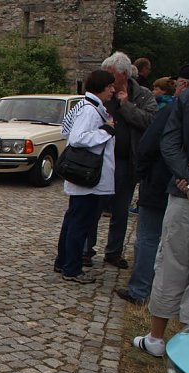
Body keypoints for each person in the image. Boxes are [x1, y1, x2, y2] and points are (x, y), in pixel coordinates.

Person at [133, 64, 189, 357]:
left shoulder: (185, 100)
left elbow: (168, 142)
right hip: (185, 190)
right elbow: (168, 142)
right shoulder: (186, 101)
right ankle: (184, 343)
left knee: (172, 261)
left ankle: (159, 338)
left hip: (185, 192)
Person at [117, 72, 189, 304]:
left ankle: (140, 289)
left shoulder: (174, 110)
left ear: (184, 85)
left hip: (163, 182)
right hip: (186, 185)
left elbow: (150, 143)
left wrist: (140, 173)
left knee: (149, 237)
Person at [83, 51, 157, 270]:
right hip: (99, 160)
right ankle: (86, 250)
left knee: (120, 210)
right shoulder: (101, 91)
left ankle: (113, 252)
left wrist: (127, 106)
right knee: (93, 207)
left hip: (126, 161)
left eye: (112, 76)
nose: (108, 80)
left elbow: (151, 122)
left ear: (124, 75)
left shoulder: (142, 95)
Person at [54, 69, 117, 284]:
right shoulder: (90, 111)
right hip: (87, 178)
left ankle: (63, 261)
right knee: (79, 224)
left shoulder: (86, 106)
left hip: (86, 178)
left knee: (73, 221)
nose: (113, 90)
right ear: (102, 86)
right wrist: (106, 131)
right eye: (110, 87)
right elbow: (77, 138)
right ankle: (72, 268)